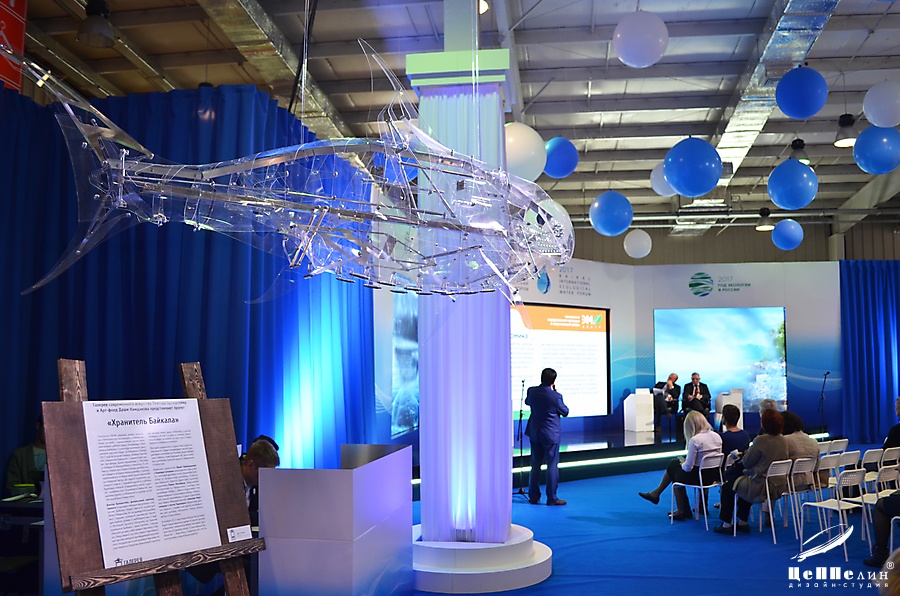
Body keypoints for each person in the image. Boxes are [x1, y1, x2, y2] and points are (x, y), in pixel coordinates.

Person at [714, 409, 789, 534]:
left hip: (760, 484)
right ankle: (743, 522)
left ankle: (727, 524)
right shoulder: (783, 439)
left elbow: (747, 463)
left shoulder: (761, 440)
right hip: (778, 484)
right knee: (742, 482)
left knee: (728, 487)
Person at [639, 410, 723, 521]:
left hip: (699, 477)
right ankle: (698, 507)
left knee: (674, 466)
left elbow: (688, 468)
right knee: (680, 467)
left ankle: (681, 510)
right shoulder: (717, 436)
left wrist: (682, 463)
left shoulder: (695, 440)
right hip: (713, 476)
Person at [526, 368, 569, 506]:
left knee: (535, 465)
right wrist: (554, 392)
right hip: (550, 435)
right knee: (552, 466)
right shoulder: (556, 396)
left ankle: (533, 496)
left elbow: (527, 402)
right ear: (553, 381)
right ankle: (552, 498)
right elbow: (565, 411)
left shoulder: (531, 391)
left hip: (535, 432)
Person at [241, 437, 281, 525]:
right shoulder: (230, 483)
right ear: (250, 465)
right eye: (263, 473)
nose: (266, 478)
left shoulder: (256, 485)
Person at [6, 415, 46, 496]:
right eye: (47, 427)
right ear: (38, 426)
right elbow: (12, 486)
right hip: (26, 503)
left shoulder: (61, 457)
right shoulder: (20, 455)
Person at [781, 410, 822, 490]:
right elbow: (817, 467)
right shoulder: (814, 441)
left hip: (789, 483)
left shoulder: (784, 441)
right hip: (809, 481)